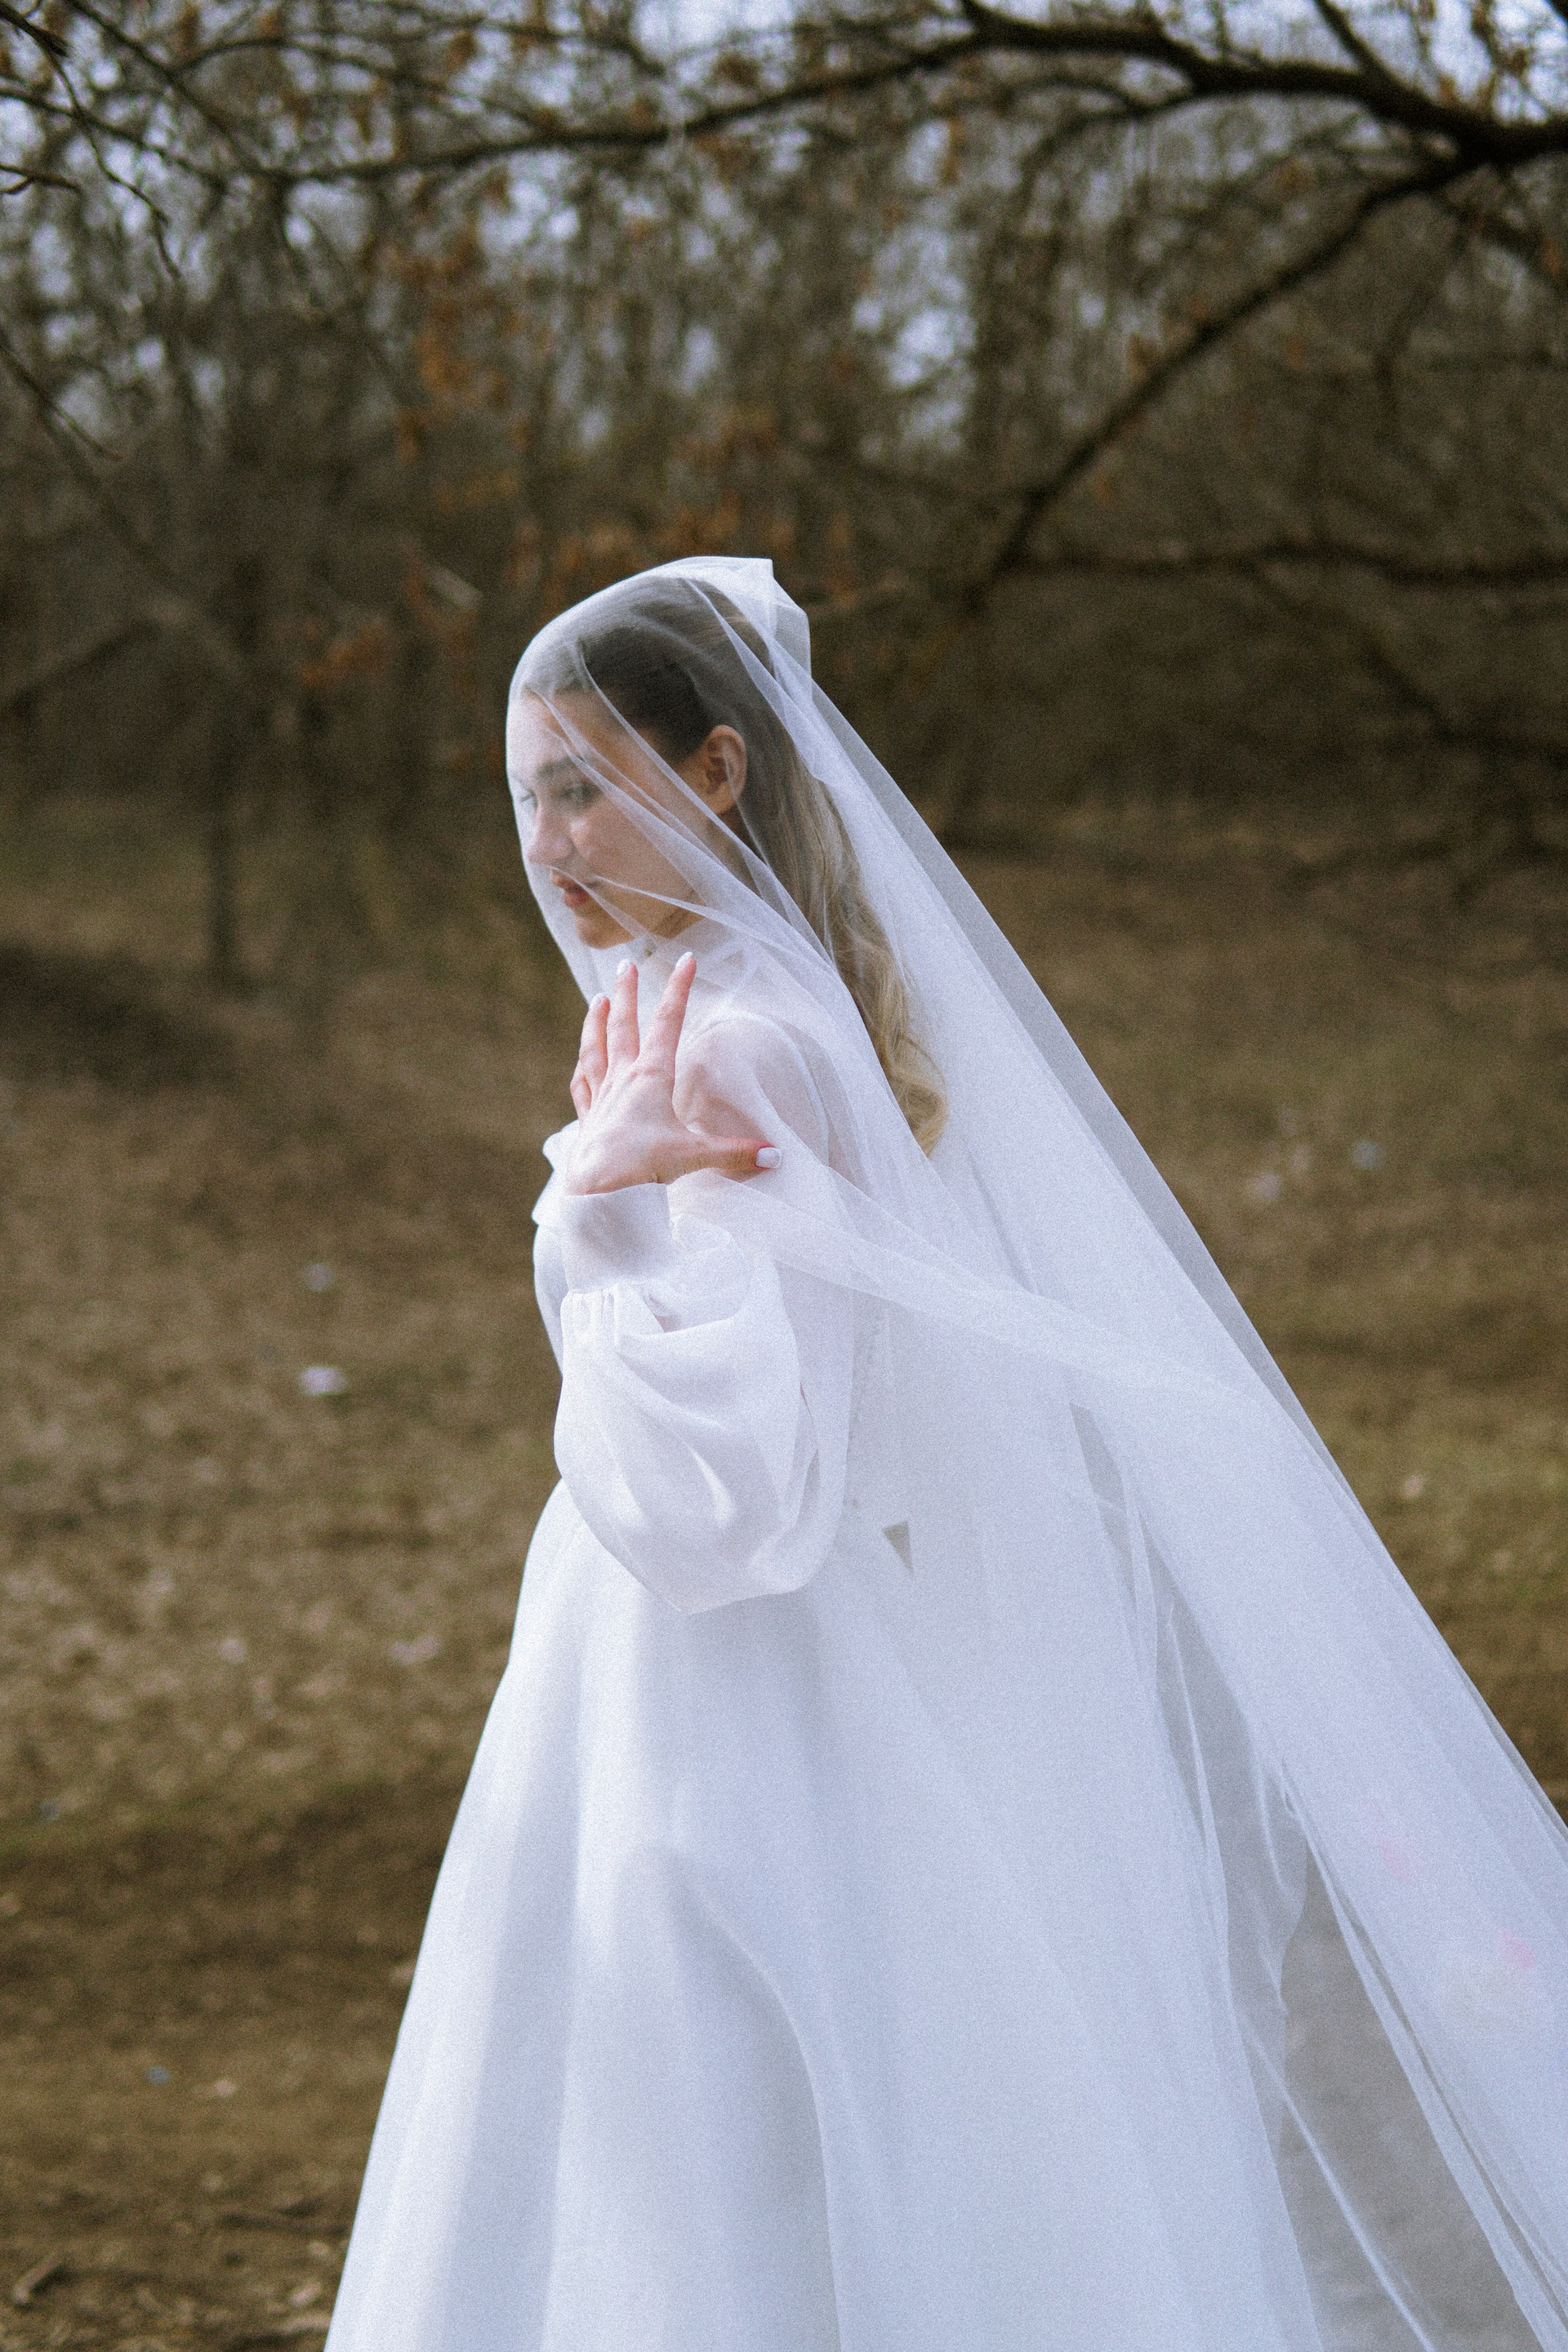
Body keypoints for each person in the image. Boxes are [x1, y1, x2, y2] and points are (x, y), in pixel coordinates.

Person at [323, 558, 1568, 2352]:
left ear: (721, 768)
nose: (550, 840)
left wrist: (593, 1219)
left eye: (586, 783)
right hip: (808, 1667)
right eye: (528, 795)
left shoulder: (735, 1048)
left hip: (723, 1695)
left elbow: (732, 1512)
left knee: (703, 2147)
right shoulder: (764, 1008)